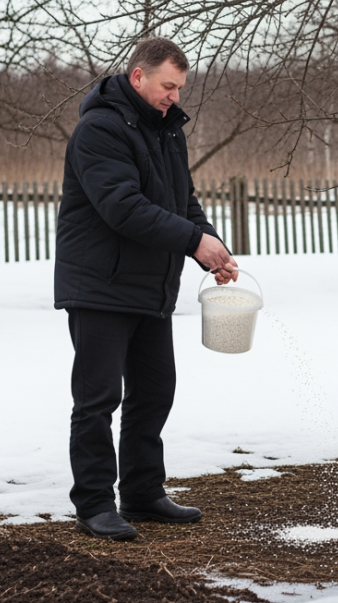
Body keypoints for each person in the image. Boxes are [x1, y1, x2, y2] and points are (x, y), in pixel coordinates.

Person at [54, 38, 238, 541]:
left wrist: (212, 244)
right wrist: (192, 240)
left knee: (155, 392)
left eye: (180, 88)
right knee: (98, 399)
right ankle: (94, 504)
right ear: (138, 77)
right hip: (99, 286)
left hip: (149, 287)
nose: (175, 97)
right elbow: (124, 208)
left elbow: (183, 202)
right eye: (168, 86)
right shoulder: (99, 130)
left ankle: (141, 492)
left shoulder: (166, 132)